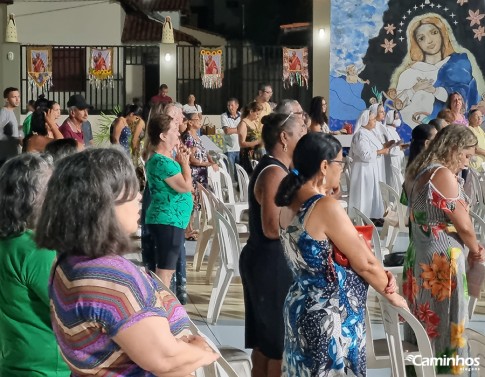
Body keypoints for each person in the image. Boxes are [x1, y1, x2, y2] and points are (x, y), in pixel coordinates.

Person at [36, 148, 219, 375]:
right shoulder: (111, 277)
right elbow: (166, 359)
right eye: (131, 190)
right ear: (102, 204)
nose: (140, 196)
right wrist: (203, 351)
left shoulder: (68, 260)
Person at [275, 132, 407, 376]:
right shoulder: (325, 207)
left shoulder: (287, 202)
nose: (342, 169)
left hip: (300, 307)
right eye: (340, 163)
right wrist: (391, 292)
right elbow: (365, 262)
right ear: (324, 166)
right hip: (330, 315)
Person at [403, 125, 484, 374]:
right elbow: (464, 225)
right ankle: (448, 372)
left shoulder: (420, 169)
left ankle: (425, 371)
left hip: (420, 253)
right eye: (466, 156)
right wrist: (476, 250)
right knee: (446, 324)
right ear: (454, 149)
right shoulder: (442, 175)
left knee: (425, 320)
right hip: (440, 261)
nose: (466, 163)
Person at [239, 112, 306, 377]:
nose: (303, 137)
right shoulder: (273, 172)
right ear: (284, 138)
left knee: (266, 344)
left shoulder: (279, 168)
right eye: (299, 132)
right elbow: (270, 227)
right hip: (269, 263)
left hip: (266, 262)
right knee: (277, 346)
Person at [0, 154, 70, 377]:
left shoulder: (9, 243)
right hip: (47, 368)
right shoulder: (35, 250)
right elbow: (72, 308)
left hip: (13, 363)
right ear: (34, 197)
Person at [391, 13, 481, 128]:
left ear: (443, 34)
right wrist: (414, 89)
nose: (429, 41)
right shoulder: (410, 73)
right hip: (420, 133)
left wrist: (434, 90)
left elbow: (466, 98)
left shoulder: (458, 64)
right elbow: (398, 106)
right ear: (416, 43)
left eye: (434, 32)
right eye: (422, 38)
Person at [145, 114, 193, 289]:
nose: (178, 133)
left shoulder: (165, 159)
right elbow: (185, 186)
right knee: (164, 270)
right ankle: (161, 309)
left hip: (172, 219)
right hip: (167, 219)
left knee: (167, 269)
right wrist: (185, 165)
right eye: (173, 130)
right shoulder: (160, 161)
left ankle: (163, 306)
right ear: (163, 136)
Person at [348, 110, 393, 223]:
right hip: (363, 170)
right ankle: (362, 218)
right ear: (365, 121)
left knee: (372, 194)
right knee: (364, 195)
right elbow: (365, 155)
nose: (375, 122)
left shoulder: (369, 132)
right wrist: (381, 151)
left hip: (370, 168)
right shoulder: (361, 134)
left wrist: (384, 147)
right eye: (373, 120)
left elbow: (373, 148)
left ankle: (373, 216)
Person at [182, 112, 219, 240]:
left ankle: (191, 228)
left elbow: (209, 151)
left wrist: (212, 162)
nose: (199, 121)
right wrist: (207, 163)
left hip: (202, 173)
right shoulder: (188, 137)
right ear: (190, 122)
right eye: (196, 119)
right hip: (194, 172)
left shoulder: (200, 137)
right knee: (191, 200)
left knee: (197, 201)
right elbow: (191, 159)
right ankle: (188, 229)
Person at [238, 101, 264, 174]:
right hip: (248, 156)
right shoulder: (243, 123)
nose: (258, 116)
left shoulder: (254, 122)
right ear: (251, 111)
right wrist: (257, 142)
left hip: (256, 154)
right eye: (257, 113)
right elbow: (242, 143)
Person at [221, 97, 241, 180]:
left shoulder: (242, 115)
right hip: (229, 149)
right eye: (228, 105)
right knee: (230, 172)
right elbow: (227, 131)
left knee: (240, 172)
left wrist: (233, 130)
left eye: (232, 105)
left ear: (237, 106)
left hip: (240, 148)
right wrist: (240, 130)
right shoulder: (224, 116)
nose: (230, 107)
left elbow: (246, 130)